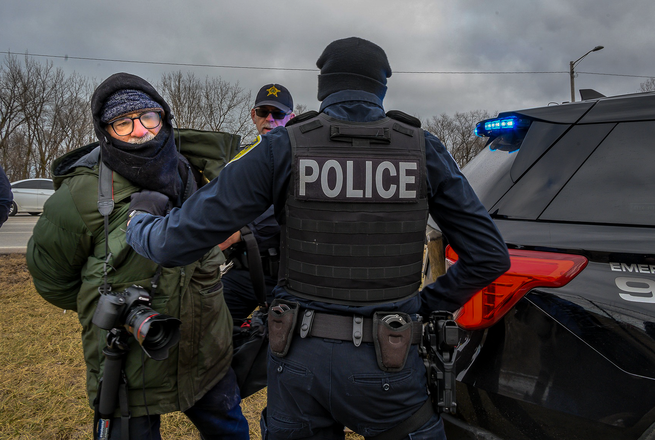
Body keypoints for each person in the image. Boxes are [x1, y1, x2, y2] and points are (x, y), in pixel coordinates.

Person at [126, 37, 511, 440]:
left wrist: (138, 222)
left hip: (299, 359)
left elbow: (174, 243)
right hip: (391, 359)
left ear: (324, 87)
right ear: (380, 89)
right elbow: (489, 255)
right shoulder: (423, 149)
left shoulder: (282, 147)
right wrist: (422, 307)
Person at [26, 72, 249, 439]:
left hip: (204, 349)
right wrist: (105, 299)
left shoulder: (196, 174)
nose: (140, 131)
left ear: (164, 118)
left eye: (148, 117)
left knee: (230, 431)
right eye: (123, 123)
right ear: (105, 130)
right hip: (127, 356)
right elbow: (52, 278)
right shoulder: (81, 193)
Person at [221, 83, 295, 321]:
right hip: (243, 272)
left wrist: (243, 231)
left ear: (290, 118)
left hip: (288, 278)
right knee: (210, 329)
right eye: (264, 112)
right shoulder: (238, 159)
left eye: (279, 114)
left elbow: (289, 210)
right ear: (254, 115)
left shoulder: (301, 160)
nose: (270, 119)